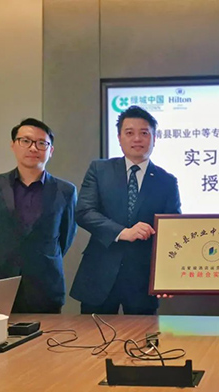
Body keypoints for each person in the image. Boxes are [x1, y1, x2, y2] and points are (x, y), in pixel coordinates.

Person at [70, 106, 181, 315]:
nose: (137, 138)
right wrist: (123, 232)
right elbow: (84, 212)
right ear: (119, 138)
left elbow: (172, 231)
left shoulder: (167, 181)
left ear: (154, 138)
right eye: (129, 132)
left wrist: (167, 276)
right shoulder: (99, 170)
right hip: (100, 275)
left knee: (142, 336)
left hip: (143, 280)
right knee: (93, 335)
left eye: (144, 133)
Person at [0, 118, 77, 313]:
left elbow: (65, 237)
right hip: (1, 281)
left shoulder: (66, 191)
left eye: (41, 143)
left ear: (51, 150)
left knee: (47, 333)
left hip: (46, 285)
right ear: (13, 145)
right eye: (25, 141)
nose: (33, 148)